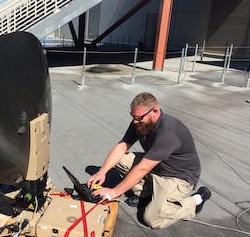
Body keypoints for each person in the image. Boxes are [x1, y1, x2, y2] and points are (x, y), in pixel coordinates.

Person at [88, 92, 211, 229]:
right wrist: (102, 171)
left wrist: (114, 192)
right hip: (157, 167)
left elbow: (144, 167)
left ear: (155, 111)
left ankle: (196, 201)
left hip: (177, 177)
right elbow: (122, 145)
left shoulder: (168, 132)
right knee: (121, 159)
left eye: (139, 117)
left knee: (152, 219)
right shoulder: (140, 123)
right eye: (133, 117)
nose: (135, 121)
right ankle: (148, 195)